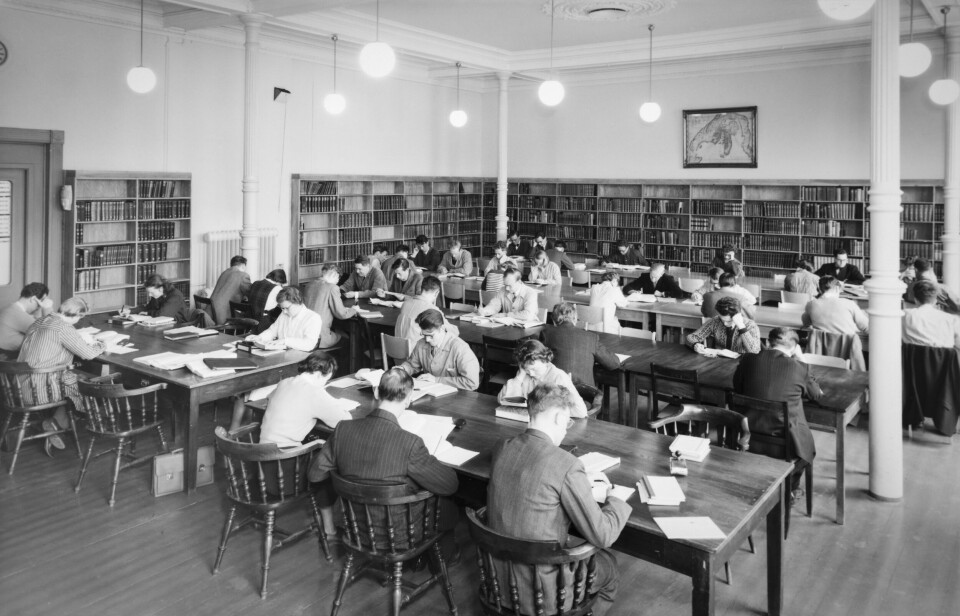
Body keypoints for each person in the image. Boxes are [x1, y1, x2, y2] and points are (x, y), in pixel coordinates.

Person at [487, 383, 631, 616]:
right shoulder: (566, 464)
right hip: (544, 592)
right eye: (567, 422)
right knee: (609, 568)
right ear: (558, 417)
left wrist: (579, 480)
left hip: (498, 582)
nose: (566, 430)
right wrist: (616, 499)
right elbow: (603, 535)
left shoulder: (503, 447)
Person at [308, 367, 460, 560]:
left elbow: (314, 474)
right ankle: (444, 558)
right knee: (448, 508)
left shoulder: (343, 429)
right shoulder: (410, 443)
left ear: (376, 392)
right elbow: (450, 485)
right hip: (400, 535)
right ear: (408, 399)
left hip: (356, 527)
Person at [733, 327, 822, 500]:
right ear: (794, 348)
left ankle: (762, 483)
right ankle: (790, 489)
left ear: (767, 343)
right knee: (806, 449)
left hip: (747, 435)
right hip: (786, 442)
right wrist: (801, 359)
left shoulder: (748, 359)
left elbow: (738, 387)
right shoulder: (800, 367)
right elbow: (816, 394)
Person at [18, 298, 105, 455]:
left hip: (20, 385)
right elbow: (88, 354)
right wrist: (102, 344)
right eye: (80, 318)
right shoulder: (63, 328)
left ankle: (54, 424)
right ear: (78, 315)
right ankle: (55, 425)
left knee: (76, 380)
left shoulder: (41, 321)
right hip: (39, 388)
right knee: (89, 387)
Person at [259, 351, 355, 446]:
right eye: (326, 380)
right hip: (286, 452)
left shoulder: (285, 382)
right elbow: (344, 421)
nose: (324, 384)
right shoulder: (314, 392)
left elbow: (270, 397)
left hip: (261, 448)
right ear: (318, 374)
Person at [499, 340, 588, 418]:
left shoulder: (558, 377)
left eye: (534, 369)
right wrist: (518, 379)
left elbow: (581, 412)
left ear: (545, 361)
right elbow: (502, 400)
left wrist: (547, 411)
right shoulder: (525, 374)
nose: (531, 373)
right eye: (527, 370)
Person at [540, 302, 620, 388]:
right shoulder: (591, 337)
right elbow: (614, 363)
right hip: (585, 392)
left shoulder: (546, 334)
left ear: (554, 320)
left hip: (556, 390)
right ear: (575, 318)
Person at [399, 309, 480, 391]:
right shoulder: (421, 343)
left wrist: (437, 380)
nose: (427, 340)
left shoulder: (460, 348)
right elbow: (412, 365)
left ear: (442, 328)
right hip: (431, 391)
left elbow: (471, 382)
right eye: (424, 335)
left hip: (457, 394)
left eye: (431, 336)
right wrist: (402, 369)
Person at [245, 287, 322, 352]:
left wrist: (285, 341)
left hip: (300, 356)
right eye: (282, 308)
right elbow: (273, 331)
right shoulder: (284, 313)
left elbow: (309, 344)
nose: (284, 311)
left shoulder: (313, 318)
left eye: (287, 308)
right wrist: (260, 337)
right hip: (283, 353)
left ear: (298, 302)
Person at [303, 263, 357, 349]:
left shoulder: (309, 285)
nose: (338, 281)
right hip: (320, 337)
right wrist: (354, 309)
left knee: (338, 330)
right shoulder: (333, 287)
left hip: (305, 332)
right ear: (335, 275)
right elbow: (342, 314)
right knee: (349, 340)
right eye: (338, 278)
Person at [687, 296, 762, 355]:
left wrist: (741, 327)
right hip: (718, 361)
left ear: (738, 315)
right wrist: (695, 344)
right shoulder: (716, 321)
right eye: (722, 319)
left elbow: (755, 351)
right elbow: (691, 337)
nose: (725, 324)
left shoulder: (751, 325)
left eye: (729, 321)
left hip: (742, 364)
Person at [394, 276, 459, 343]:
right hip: (416, 348)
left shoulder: (405, 303)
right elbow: (454, 332)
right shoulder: (432, 310)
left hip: (398, 346)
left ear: (421, 288)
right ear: (437, 293)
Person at [902, 281, 960, 351]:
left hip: (912, 357)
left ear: (916, 300)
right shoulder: (952, 319)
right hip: (945, 357)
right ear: (935, 301)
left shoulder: (904, 315)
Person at [802, 276, 869, 336]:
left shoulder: (811, 304)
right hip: (847, 345)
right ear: (837, 288)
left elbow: (805, 323)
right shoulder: (850, 303)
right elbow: (866, 327)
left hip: (822, 345)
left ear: (819, 290)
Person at [0, 282, 54, 355]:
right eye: (40, 303)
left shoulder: (10, 308)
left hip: (7, 356)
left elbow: (37, 323)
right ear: (33, 299)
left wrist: (39, 308)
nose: (40, 306)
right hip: (10, 358)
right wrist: (47, 308)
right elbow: (51, 333)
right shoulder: (18, 314)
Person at [121, 274, 190, 324]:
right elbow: (148, 307)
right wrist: (130, 311)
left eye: (151, 292)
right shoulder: (158, 295)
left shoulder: (175, 296)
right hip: (164, 324)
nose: (149, 295)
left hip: (179, 326)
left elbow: (163, 314)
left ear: (160, 289)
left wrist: (148, 313)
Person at [209, 255, 252, 325]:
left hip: (211, 312)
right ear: (243, 266)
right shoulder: (243, 275)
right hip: (224, 315)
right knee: (250, 319)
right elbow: (250, 293)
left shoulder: (224, 272)